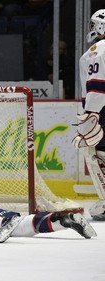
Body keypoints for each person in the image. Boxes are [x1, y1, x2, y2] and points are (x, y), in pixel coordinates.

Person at [73, 9, 105, 221]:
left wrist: (91, 115)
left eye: (94, 25)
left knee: (95, 152)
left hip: (102, 109)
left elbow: (97, 88)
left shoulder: (97, 50)